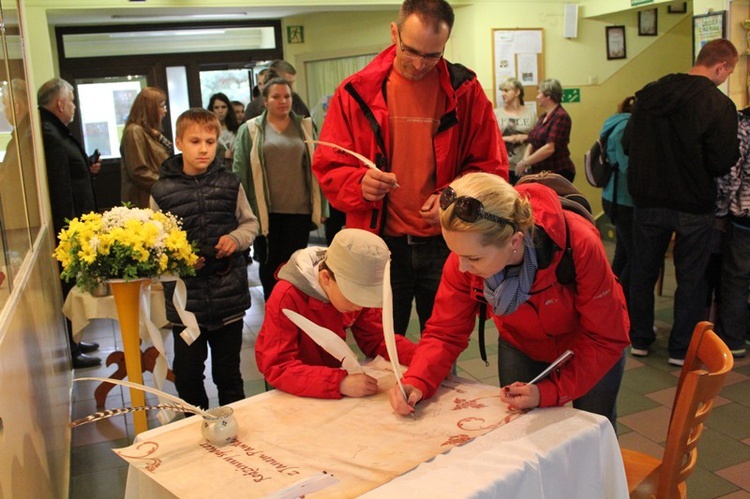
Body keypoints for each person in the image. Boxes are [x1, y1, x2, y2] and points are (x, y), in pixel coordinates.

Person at [313, 0, 508, 337]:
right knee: (382, 347)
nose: (420, 64)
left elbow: (491, 168)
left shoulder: (466, 91)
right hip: (379, 245)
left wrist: (453, 196)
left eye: (433, 55)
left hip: (448, 244)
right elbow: (329, 165)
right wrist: (358, 183)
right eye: (412, 50)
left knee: (445, 345)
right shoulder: (355, 92)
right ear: (394, 32)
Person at [388, 172, 629, 427]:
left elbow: (606, 337)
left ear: (514, 241)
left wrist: (550, 391)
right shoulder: (466, 252)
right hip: (520, 343)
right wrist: (418, 379)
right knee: (519, 432)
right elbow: (445, 332)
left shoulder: (580, 242)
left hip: (589, 347)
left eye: (475, 259)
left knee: (594, 430)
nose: (461, 267)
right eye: (455, 253)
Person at [622, 38, 739, 366]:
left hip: (646, 200)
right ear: (720, 67)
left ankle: (640, 338)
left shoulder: (648, 96)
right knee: (691, 277)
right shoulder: (718, 105)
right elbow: (721, 161)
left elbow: (628, 144)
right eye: (728, 72)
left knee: (643, 271)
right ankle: (681, 348)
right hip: (693, 203)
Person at [150, 108, 259, 410]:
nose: (203, 149)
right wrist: (179, 261)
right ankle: (195, 433)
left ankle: (235, 436)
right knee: (187, 377)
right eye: (195, 141)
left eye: (210, 142)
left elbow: (250, 224)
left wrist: (235, 239)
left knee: (229, 376)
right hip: (186, 306)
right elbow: (155, 245)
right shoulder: (162, 191)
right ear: (179, 142)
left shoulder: (230, 183)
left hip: (229, 300)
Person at [255, 228, 417, 398]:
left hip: (328, 373)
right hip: (292, 383)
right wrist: (338, 383)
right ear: (326, 278)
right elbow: (278, 367)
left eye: (366, 298)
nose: (358, 306)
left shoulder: (355, 284)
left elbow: (378, 339)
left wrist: (422, 359)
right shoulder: (287, 296)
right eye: (353, 295)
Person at [233, 76, 324, 299]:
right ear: (265, 101)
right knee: (269, 265)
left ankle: (294, 310)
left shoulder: (305, 126)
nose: (282, 101)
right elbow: (240, 172)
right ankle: (275, 311)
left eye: (287, 96)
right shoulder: (251, 130)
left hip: (300, 210)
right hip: (266, 213)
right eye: (276, 96)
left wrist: (323, 208)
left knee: (297, 265)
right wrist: (241, 212)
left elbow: (319, 165)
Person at [38, 77, 102, 369]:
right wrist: (70, 234)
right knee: (69, 288)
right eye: (72, 101)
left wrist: (87, 167)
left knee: (74, 286)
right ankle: (72, 347)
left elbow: (71, 174)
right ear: (60, 103)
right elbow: (60, 187)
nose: (74, 107)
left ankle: (75, 340)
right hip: (68, 228)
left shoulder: (57, 131)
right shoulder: (49, 133)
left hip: (76, 224)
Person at [715, 106, 750, 358]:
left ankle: (734, 339)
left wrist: (721, 209)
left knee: (737, 278)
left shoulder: (744, 125)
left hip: (745, 216)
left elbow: (733, 174)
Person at [599, 95, 635, 305]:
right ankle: (621, 302)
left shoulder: (613, 122)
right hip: (623, 199)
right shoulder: (624, 129)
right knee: (633, 256)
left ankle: (611, 297)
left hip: (612, 195)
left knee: (623, 251)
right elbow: (627, 166)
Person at [120, 86, 172, 208]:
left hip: (154, 198)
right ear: (151, 108)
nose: (165, 111)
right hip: (142, 202)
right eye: (162, 106)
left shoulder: (149, 132)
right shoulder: (134, 131)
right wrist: (169, 184)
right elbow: (139, 172)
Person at [517, 78, 575, 182]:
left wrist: (525, 163)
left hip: (557, 171)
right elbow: (531, 142)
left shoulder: (561, 116)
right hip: (541, 172)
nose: (537, 97)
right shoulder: (543, 117)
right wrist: (525, 162)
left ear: (548, 96)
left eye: (539, 93)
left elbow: (549, 148)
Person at [494, 77, 536, 184]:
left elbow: (537, 137)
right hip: (503, 166)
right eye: (502, 91)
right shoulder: (496, 113)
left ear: (517, 92)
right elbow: (490, 138)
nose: (503, 94)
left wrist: (525, 137)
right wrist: (509, 138)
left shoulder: (530, 114)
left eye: (506, 90)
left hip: (524, 165)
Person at [207, 92, 240, 167]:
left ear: (228, 109)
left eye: (223, 107)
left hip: (236, 169)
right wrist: (222, 155)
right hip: (215, 171)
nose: (220, 111)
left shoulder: (236, 129)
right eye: (216, 108)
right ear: (211, 109)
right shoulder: (207, 131)